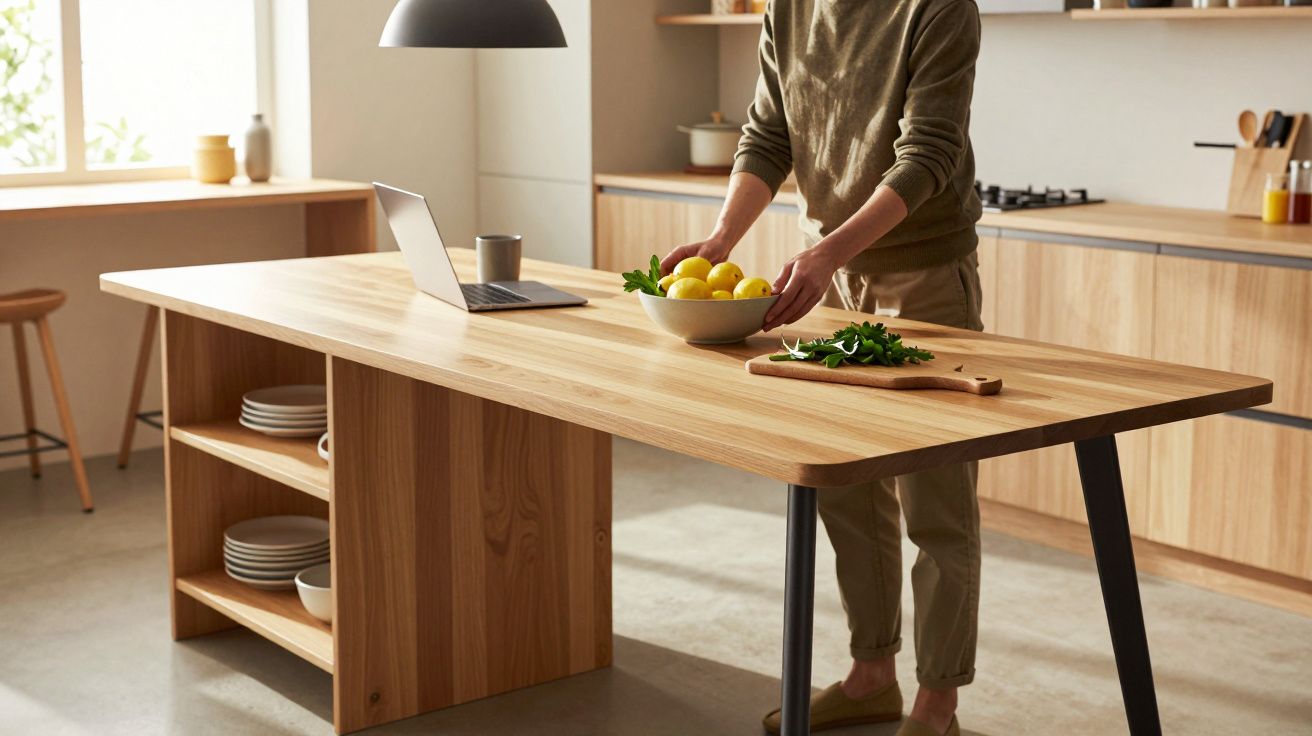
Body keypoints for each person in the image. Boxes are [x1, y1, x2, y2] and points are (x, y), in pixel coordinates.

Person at [661, 1, 984, 734]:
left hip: (921, 273)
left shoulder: (940, 9)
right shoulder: (790, 4)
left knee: (935, 497)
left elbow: (929, 152)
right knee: (846, 482)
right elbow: (769, 134)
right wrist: (719, 241)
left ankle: (939, 701)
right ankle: (872, 674)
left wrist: (830, 250)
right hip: (828, 272)